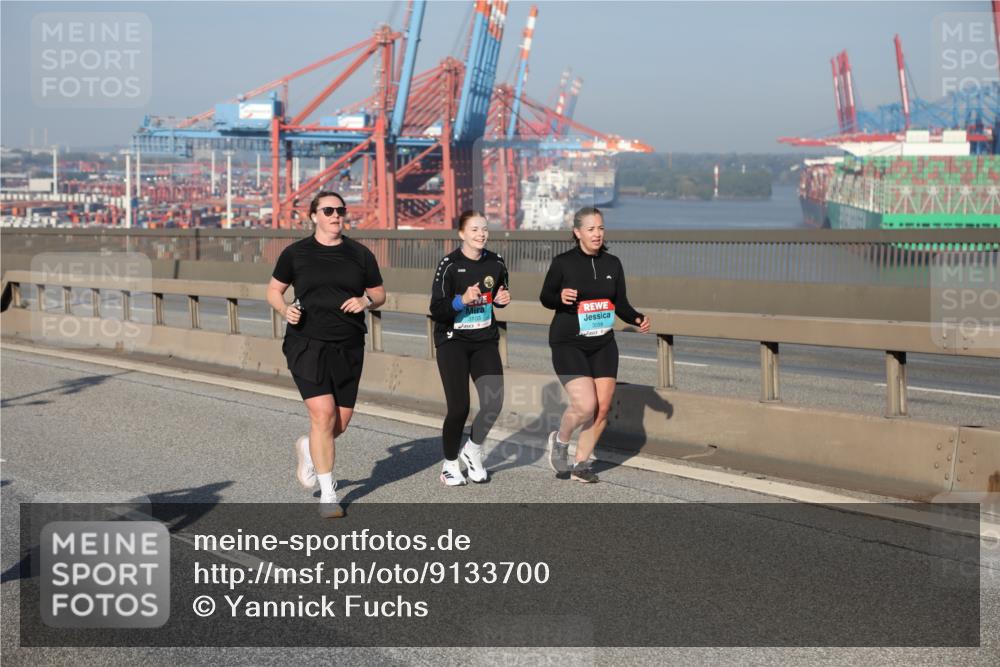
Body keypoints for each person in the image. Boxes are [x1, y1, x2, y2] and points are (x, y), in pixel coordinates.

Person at [266, 191, 386, 517]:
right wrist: (284, 309)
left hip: (348, 345)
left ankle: (308, 447)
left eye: (341, 211)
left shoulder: (360, 254)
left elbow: (379, 293)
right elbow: (274, 290)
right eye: (329, 210)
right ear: (314, 216)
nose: (336, 216)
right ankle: (328, 493)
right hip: (307, 343)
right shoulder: (296, 253)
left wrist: (365, 302)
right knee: (322, 415)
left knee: (340, 424)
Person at [539, 206, 650, 483]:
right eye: (591, 229)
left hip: (603, 343)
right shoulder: (563, 263)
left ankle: (580, 465)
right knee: (585, 404)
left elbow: (620, 304)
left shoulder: (613, 264)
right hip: (568, 343)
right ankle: (561, 441)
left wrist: (636, 318)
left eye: (600, 228)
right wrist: (560, 297)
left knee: (601, 407)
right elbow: (546, 297)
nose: (597, 234)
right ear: (577, 232)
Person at [428, 210, 511, 486]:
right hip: (453, 340)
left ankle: (472, 450)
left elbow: (498, 294)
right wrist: (461, 300)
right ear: (462, 234)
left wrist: (501, 299)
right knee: (459, 408)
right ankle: (450, 464)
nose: (481, 234)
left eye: (485, 229)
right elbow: (436, 310)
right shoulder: (449, 265)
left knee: (493, 402)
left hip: (484, 339)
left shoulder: (496, 262)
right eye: (475, 229)